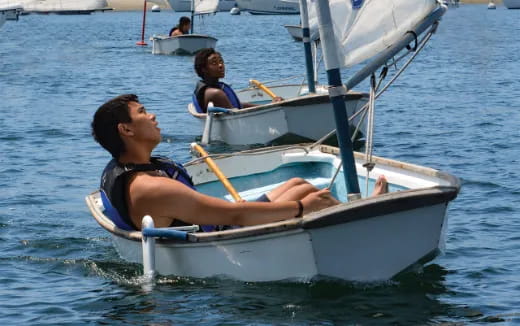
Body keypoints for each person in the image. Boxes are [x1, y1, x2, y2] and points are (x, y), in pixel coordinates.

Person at [91, 94, 388, 231]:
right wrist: (302, 209)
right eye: (143, 112)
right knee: (312, 198)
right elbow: (235, 216)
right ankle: (367, 222)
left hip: (216, 223)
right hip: (224, 232)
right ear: (126, 130)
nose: (153, 116)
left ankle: (356, 216)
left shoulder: (136, 167)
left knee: (299, 184)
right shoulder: (149, 187)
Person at [192, 48, 283, 113]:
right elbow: (237, 113)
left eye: (221, 61)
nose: (220, 65)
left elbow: (239, 106)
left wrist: (269, 105)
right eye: (214, 63)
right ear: (204, 69)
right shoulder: (215, 93)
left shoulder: (214, 87)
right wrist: (271, 107)